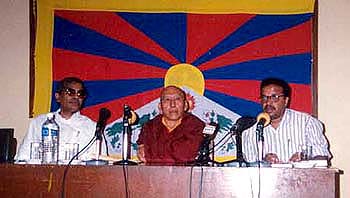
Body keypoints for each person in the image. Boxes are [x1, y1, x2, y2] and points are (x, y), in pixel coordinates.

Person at [242, 78, 331, 164]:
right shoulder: (250, 132)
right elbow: (249, 168)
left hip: (302, 178)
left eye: (274, 97)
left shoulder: (307, 123)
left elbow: (322, 156)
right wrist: (263, 161)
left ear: (286, 101)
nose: (268, 103)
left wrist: (305, 157)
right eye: (264, 98)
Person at [16, 77, 99, 162]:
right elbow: (22, 158)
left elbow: (100, 163)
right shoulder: (39, 122)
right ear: (58, 97)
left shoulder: (92, 127)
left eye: (80, 94)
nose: (76, 97)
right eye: (70, 92)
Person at [136, 85, 205, 164]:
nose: (172, 104)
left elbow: (184, 155)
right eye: (167, 99)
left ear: (186, 106)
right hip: (153, 174)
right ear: (160, 107)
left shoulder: (196, 126)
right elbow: (144, 155)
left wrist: (153, 154)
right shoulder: (149, 127)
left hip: (184, 174)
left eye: (177, 99)